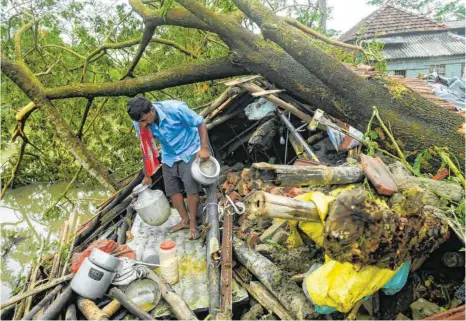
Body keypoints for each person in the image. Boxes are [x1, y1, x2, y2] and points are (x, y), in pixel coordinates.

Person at [127, 97, 210, 240]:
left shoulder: (175, 109)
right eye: (140, 122)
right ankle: (184, 220)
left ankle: (192, 224)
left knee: (191, 188)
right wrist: (147, 174)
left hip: (189, 149)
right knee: (172, 190)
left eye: (144, 120)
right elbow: (144, 147)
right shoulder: (139, 123)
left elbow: (200, 122)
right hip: (169, 155)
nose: (143, 124)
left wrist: (203, 148)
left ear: (152, 110)